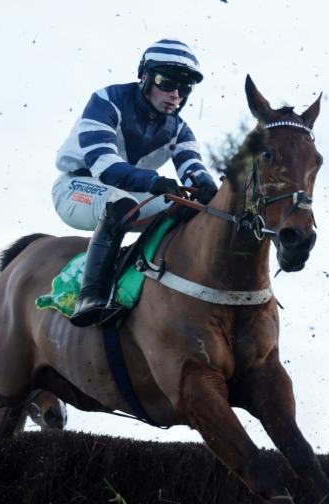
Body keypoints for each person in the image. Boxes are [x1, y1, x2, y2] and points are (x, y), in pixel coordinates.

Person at [52, 38, 220, 326]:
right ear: (145, 76)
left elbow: (193, 169)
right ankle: (90, 297)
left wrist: (210, 190)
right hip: (76, 187)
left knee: (186, 210)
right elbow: (104, 165)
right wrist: (153, 180)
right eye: (167, 82)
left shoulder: (180, 129)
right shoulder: (106, 100)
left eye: (185, 88)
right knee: (121, 204)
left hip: (130, 192)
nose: (175, 95)